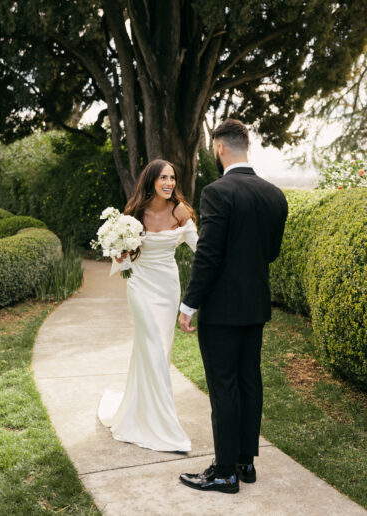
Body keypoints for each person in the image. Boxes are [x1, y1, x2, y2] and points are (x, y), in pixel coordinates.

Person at [178, 119, 288, 493]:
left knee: (224, 386)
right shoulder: (275, 195)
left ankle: (224, 471)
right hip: (254, 307)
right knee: (249, 381)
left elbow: (207, 256)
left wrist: (189, 304)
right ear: (246, 146)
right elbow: (270, 253)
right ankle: (245, 461)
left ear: (220, 148)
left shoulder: (216, 192)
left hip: (222, 311)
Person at [98, 159, 198, 452]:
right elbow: (125, 258)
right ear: (151, 180)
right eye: (163, 178)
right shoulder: (135, 213)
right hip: (140, 287)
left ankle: (142, 409)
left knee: (158, 351)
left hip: (167, 288)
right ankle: (165, 426)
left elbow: (200, 248)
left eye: (172, 178)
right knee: (152, 346)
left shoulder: (179, 210)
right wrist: (120, 255)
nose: (169, 183)